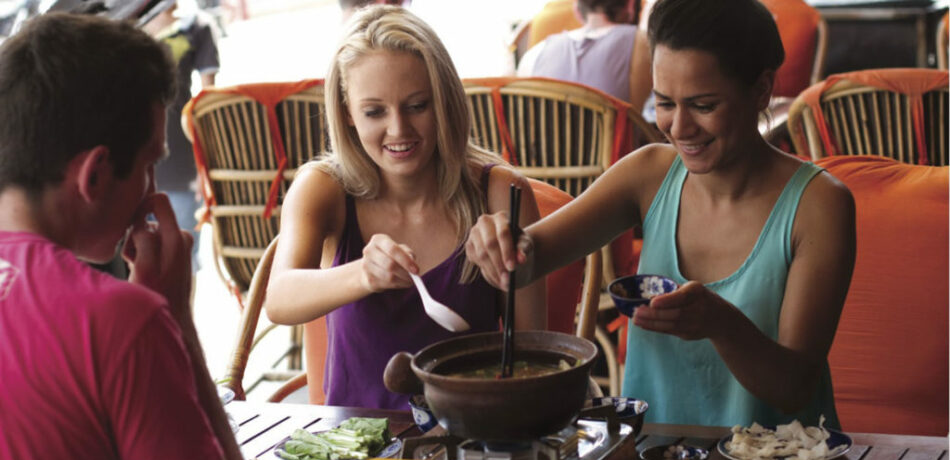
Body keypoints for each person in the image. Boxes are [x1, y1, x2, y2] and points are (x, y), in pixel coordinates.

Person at [467, 0, 856, 429]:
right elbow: (531, 258)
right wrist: (501, 244)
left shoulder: (819, 205)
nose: (679, 127)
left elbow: (794, 390)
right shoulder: (648, 173)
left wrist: (720, 324)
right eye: (665, 103)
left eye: (704, 105)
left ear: (762, 89)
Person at [0, 13, 256, 460]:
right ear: (95, 175)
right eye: (148, 165)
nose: (152, 190)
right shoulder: (117, 321)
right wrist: (177, 317)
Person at [265, 5, 546, 410]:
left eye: (417, 105)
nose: (398, 130)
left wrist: (516, 262)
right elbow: (279, 298)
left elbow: (533, 358)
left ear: (444, 100)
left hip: (472, 444)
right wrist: (364, 273)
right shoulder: (323, 189)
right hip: (357, 453)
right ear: (347, 112)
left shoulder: (500, 193)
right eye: (374, 111)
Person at [143, 0, 220, 270]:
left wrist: (204, 165)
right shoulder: (121, 30)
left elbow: (207, 104)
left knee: (183, 259)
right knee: (140, 259)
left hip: (181, 166)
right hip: (134, 169)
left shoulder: (195, 26)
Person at [517, 0, 652, 114]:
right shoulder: (643, 43)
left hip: (544, 145)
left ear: (577, 9)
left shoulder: (535, 52)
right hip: (621, 145)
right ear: (630, 5)